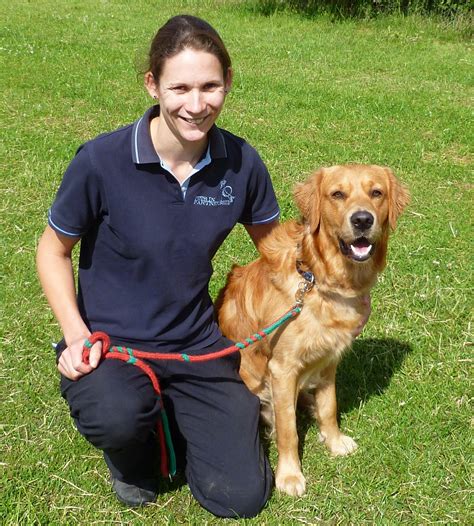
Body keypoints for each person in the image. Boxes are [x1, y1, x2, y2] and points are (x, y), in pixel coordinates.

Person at [36, 15, 280, 519]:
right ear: (152, 84)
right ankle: (130, 456)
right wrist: (77, 335)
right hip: (113, 346)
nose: (197, 104)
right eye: (180, 87)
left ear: (228, 82)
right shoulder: (102, 161)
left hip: (196, 346)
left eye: (211, 86)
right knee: (118, 417)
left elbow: (277, 248)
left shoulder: (241, 163)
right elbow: (52, 251)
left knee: (240, 498)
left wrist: (342, 249)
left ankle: (176, 413)